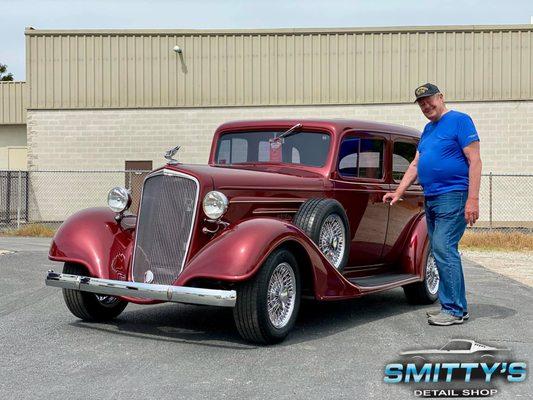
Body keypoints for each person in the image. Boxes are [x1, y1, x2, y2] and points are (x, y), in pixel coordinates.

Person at [383, 83, 482, 326]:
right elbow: (416, 164)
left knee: (443, 248)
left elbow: (475, 160)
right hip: (432, 197)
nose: (426, 106)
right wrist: (398, 192)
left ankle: (454, 310)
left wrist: (473, 198)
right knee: (441, 251)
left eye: (429, 100)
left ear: (441, 97)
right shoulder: (428, 130)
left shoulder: (460, 120)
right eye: (421, 103)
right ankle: (457, 307)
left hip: (454, 195)